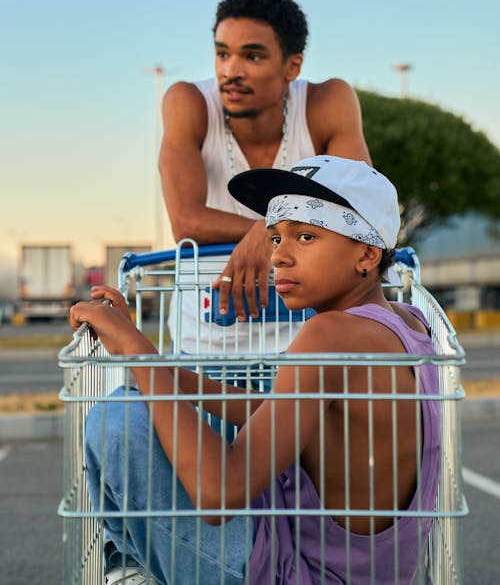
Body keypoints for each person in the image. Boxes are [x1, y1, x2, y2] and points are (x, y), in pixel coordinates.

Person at [74, 155, 440, 585]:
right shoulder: (404, 320)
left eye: (305, 236)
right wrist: (149, 363)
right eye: (274, 237)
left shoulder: (333, 333)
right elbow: (276, 410)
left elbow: (219, 496)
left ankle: (130, 565)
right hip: (329, 555)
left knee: (118, 420)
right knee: (144, 395)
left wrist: (139, 354)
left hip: (300, 573)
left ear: (366, 253)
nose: (279, 257)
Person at [158, 0, 371, 355]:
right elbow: (186, 222)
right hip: (211, 337)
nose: (230, 71)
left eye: (252, 57)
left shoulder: (326, 103)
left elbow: (358, 207)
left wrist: (269, 232)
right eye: (222, 53)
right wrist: (267, 229)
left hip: (311, 332)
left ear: (292, 66)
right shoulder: (188, 103)